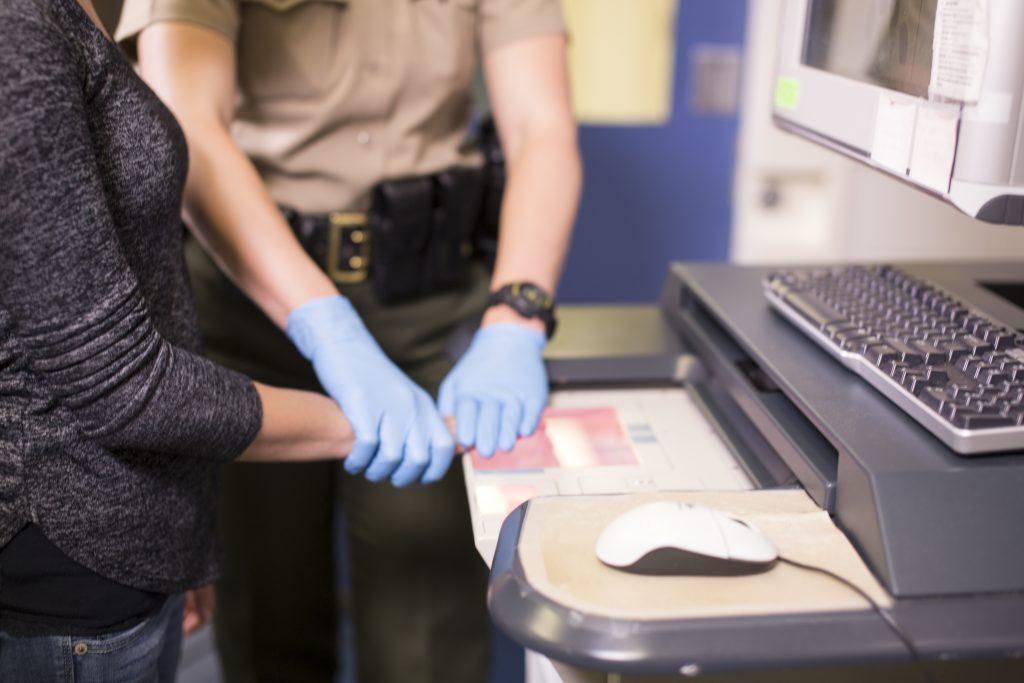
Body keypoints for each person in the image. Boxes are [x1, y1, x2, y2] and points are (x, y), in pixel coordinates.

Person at [116, 0, 582, 680]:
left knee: (426, 627)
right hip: (251, 304)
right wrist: (329, 330)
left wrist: (516, 315)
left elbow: (541, 128)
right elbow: (189, 126)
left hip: (426, 311)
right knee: (268, 618)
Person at [0, 0, 356, 679]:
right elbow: (120, 384)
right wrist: (351, 424)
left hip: (125, 538)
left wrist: (171, 536)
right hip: (63, 565)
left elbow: (133, 277)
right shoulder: (17, 29)